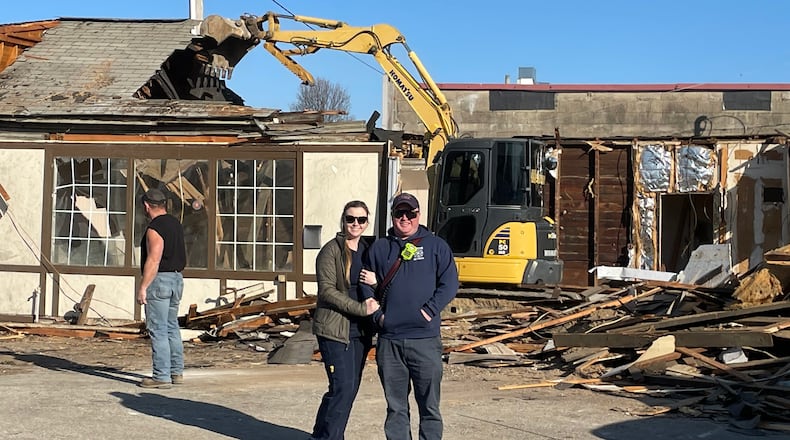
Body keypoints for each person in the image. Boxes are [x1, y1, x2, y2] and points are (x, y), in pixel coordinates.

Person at [362, 193, 459, 440]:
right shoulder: (380, 247)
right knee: (396, 408)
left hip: (424, 340)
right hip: (390, 341)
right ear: (392, 216)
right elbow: (364, 283)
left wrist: (428, 311)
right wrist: (378, 317)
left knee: (429, 407)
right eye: (399, 213)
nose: (404, 219)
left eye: (410, 213)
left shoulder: (436, 246)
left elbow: (449, 284)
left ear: (418, 215)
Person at [310, 200, 381, 440]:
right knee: (341, 388)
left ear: (367, 222)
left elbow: (381, 284)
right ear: (344, 220)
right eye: (351, 219)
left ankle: (321, 435)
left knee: (347, 390)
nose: (355, 224)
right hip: (335, 330)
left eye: (361, 219)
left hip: (360, 333)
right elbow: (327, 292)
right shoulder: (332, 250)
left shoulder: (369, 250)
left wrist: (376, 282)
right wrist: (360, 308)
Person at [137, 188, 187, 389]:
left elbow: (154, 258)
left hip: (160, 282)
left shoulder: (154, 228)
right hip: (177, 279)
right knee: (171, 326)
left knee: (158, 329)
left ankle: (161, 376)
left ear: (147, 206)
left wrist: (143, 287)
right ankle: (176, 371)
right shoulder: (176, 224)